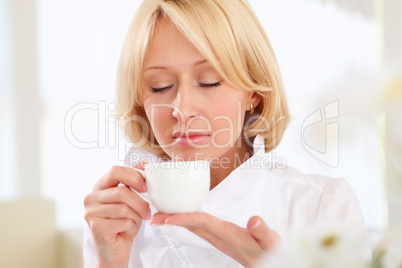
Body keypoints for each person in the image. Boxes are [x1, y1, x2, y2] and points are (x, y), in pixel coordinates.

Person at [83, 0, 371, 267]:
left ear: (254, 93)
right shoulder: (115, 218)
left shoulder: (322, 207)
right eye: (159, 87)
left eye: (209, 82)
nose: (181, 109)